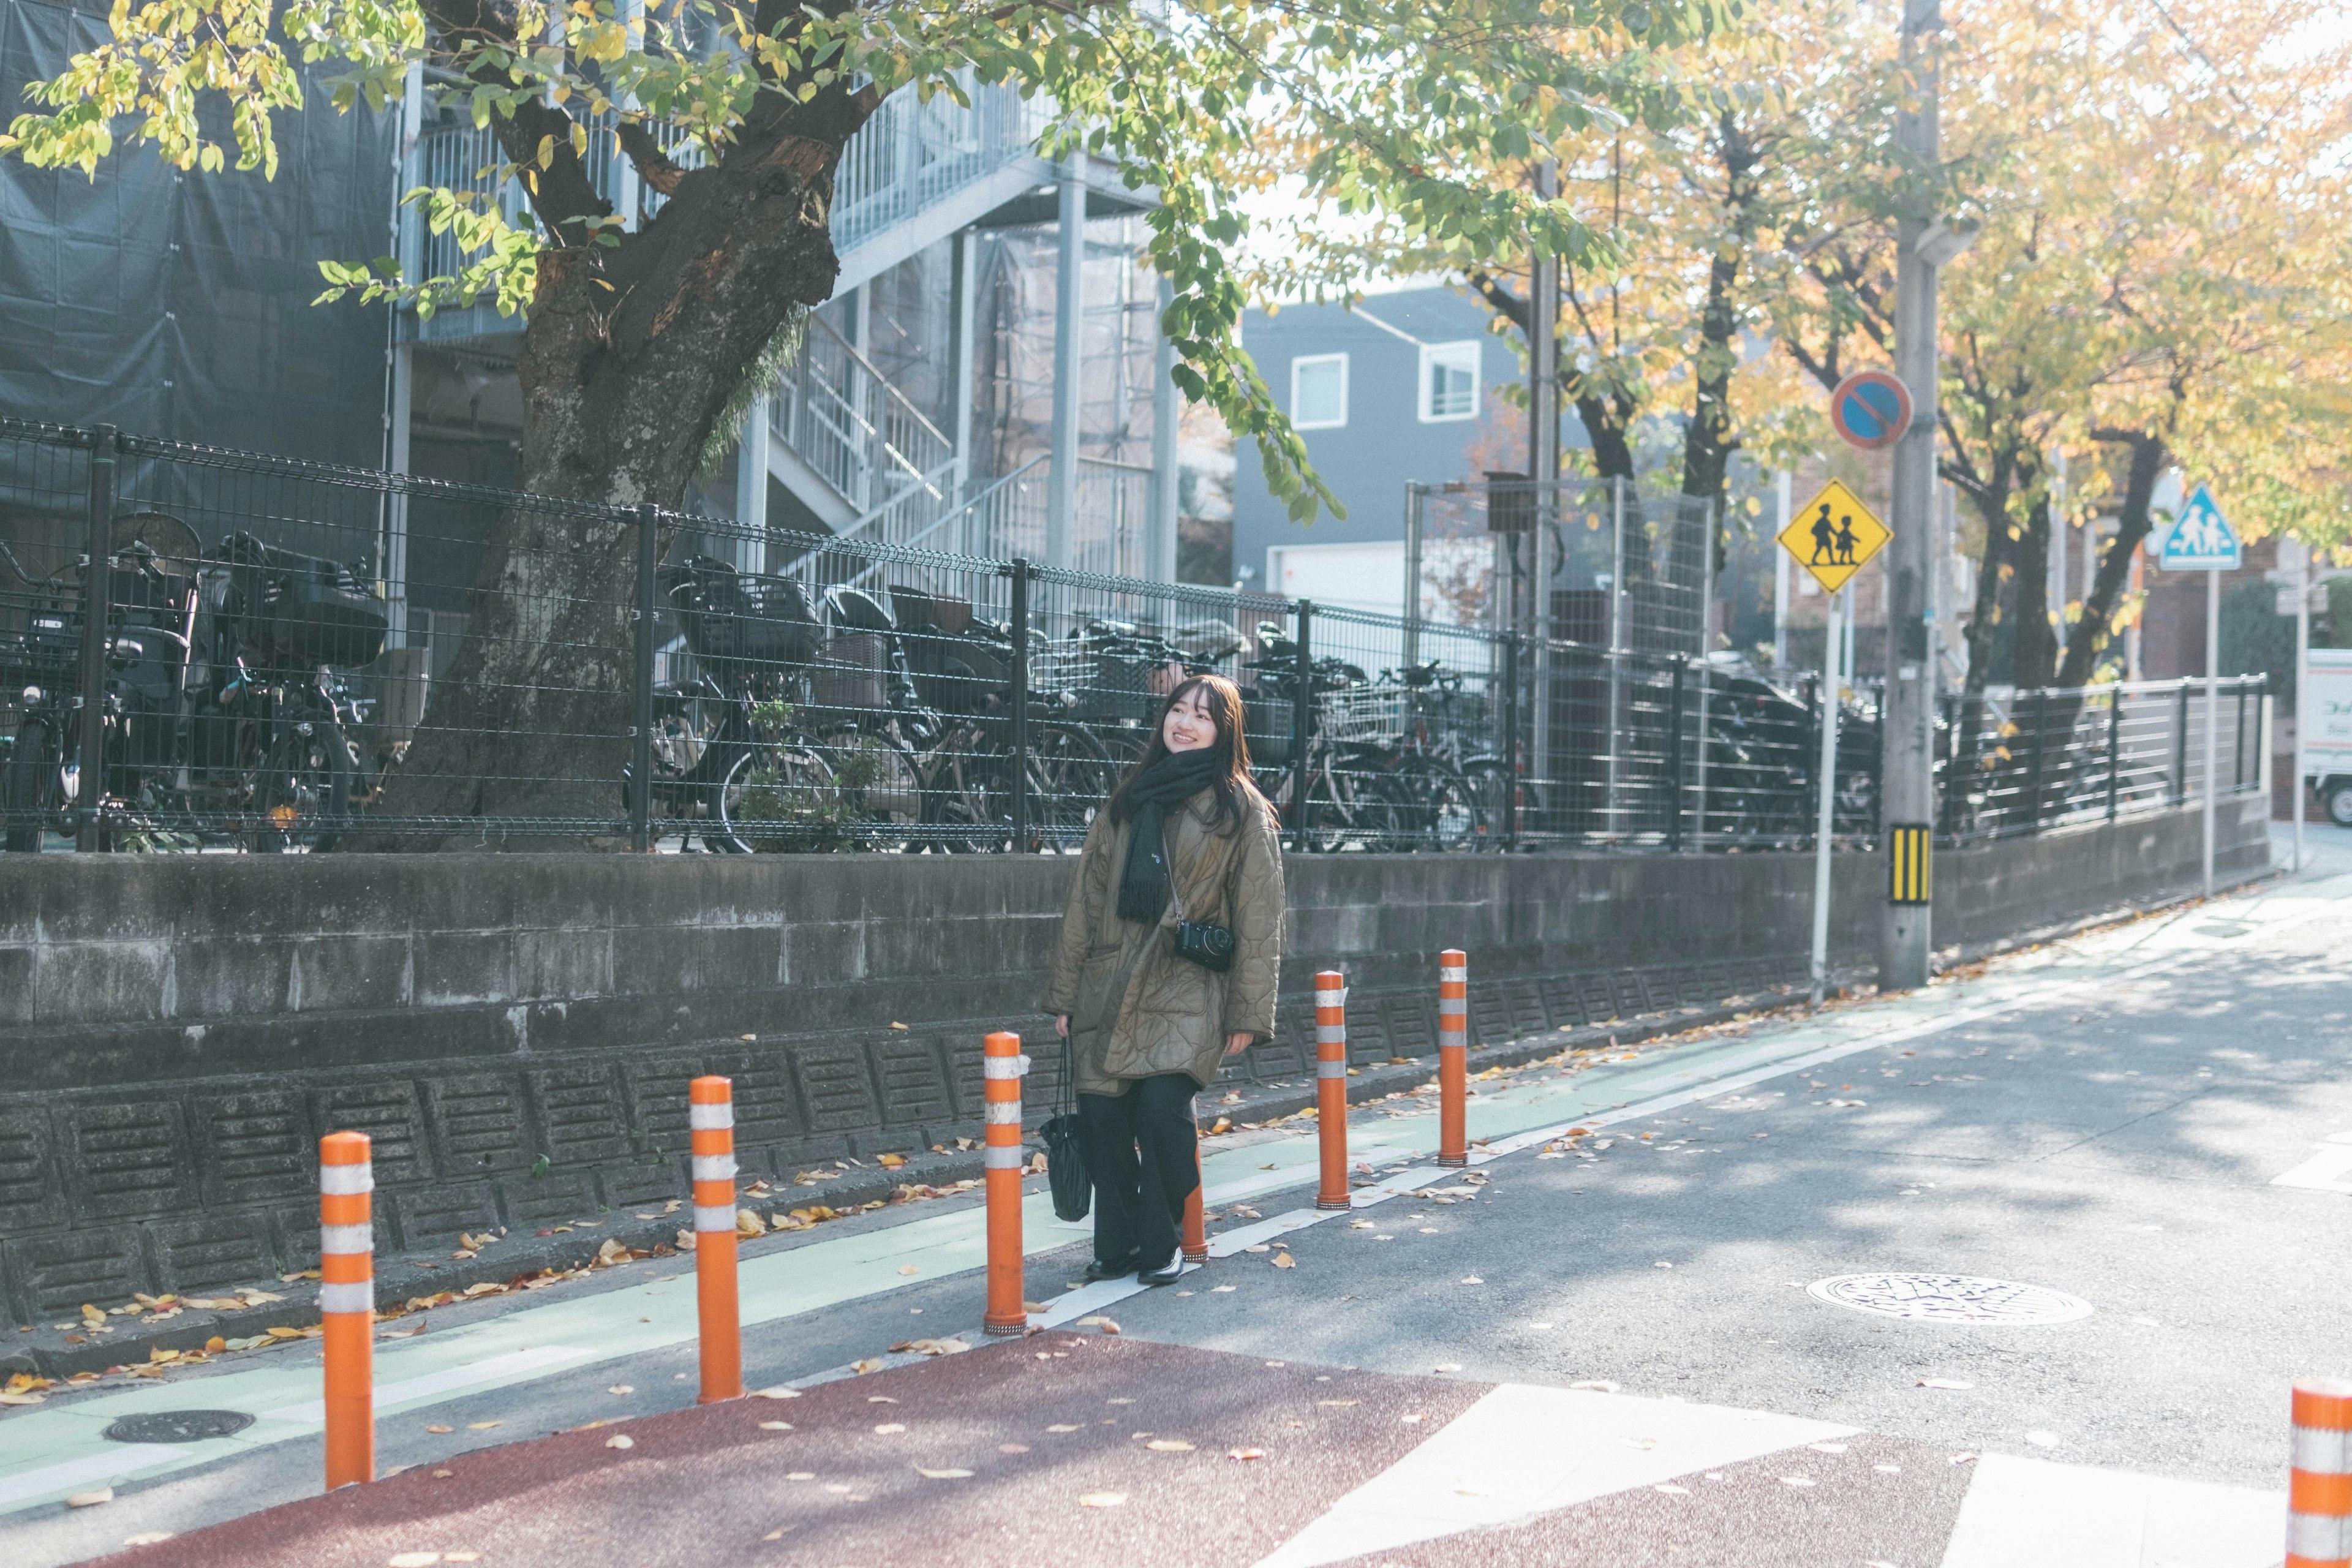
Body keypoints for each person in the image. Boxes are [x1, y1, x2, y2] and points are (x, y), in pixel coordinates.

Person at [1042, 673, 1286, 1286]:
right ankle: (1117, 1244)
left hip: (1187, 983)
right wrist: (1065, 993)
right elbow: (1086, 904)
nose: (1186, 723)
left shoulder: (1242, 811)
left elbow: (1260, 916)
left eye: (1203, 716)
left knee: (1161, 1111)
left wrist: (1247, 1013)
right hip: (1109, 979)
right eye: (1178, 710)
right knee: (1103, 1120)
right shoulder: (1127, 802)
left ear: (1223, 731)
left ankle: (1162, 1241)